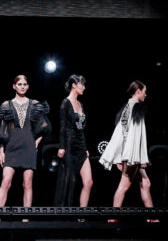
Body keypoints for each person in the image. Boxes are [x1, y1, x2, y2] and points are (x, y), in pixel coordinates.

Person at [0, 75, 50, 208]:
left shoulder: (35, 104)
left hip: (28, 146)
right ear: (14, 86)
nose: (22, 87)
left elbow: (45, 126)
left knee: (27, 183)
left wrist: (37, 141)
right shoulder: (6, 105)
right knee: (6, 182)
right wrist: (1, 150)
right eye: (19, 84)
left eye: (25, 84)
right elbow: (2, 130)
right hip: (11, 146)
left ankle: (26, 218)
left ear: (28, 86)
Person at [100, 80, 152, 208]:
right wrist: (135, 158)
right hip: (132, 156)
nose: (145, 95)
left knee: (146, 183)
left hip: (130, 155)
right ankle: (113, 216)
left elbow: (121, 134)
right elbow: (136, 137)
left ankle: (152, 216)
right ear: (138, 91)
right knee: (123, 186)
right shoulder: (137, 108)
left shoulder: (126, 108)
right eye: (144, 92)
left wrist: (120, 156)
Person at [53, 74, 93, 207]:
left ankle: (83, 213)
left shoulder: (80, 104)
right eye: (82, 84)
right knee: (69, 181)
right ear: (74, 85)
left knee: (88, 182)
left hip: (81, 146)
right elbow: (62, 126)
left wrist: (85, 148)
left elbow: (82, 129)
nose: (84, 87)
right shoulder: (66, 103)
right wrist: (61, 146)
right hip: (69, 145)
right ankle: (64, 213)